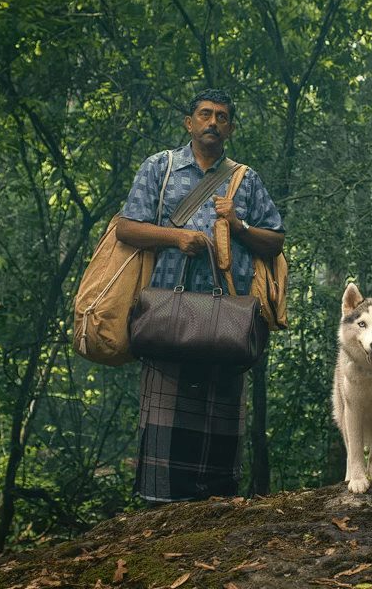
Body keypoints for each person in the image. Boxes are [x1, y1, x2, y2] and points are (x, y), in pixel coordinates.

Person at [114, 89, 285, 504]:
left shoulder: (246, 179)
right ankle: (158, 505)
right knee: (165, 410)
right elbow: (126, 229)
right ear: (189, 123)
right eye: (205, 115)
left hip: (227, 315)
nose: (213, 122)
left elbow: (275, 240)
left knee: (221, 411)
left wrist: (239, 226)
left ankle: (218, 507)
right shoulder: (161, 168)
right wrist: (178, 238)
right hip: (168, 312)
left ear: (230, 127)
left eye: (222, 117)